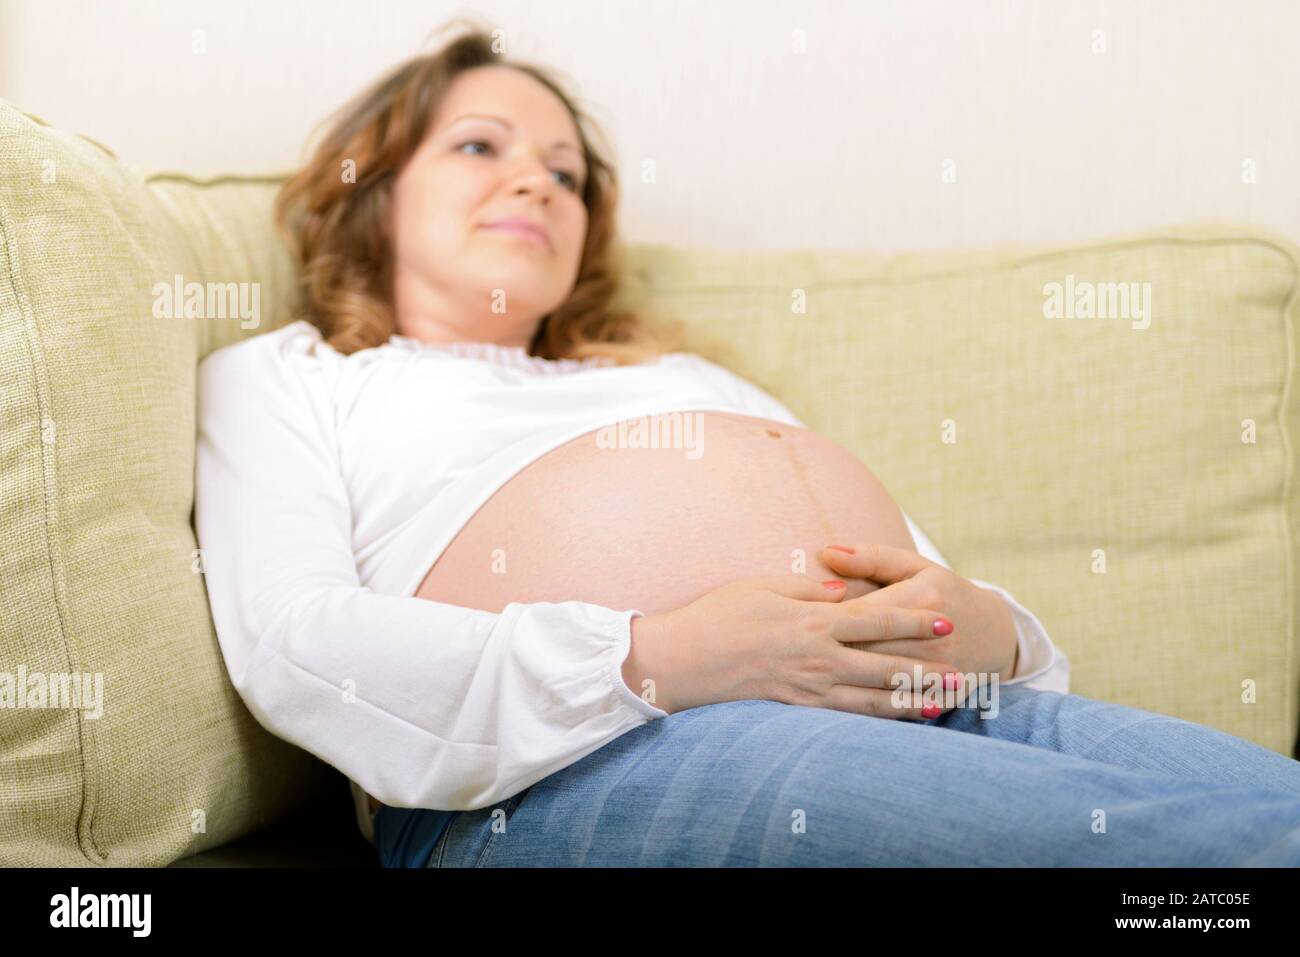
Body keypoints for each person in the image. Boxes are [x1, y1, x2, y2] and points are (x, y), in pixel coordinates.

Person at [194, 21, 1300, 867]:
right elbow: (296, 642)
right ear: (374, 191)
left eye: (566, 172)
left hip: (936, 707)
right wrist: (660, 657)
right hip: (573, 762)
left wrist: (999, 633)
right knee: (1201, 857)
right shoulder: (292, 378)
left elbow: (907, 574)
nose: (536, 179)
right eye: (481, 145)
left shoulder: (677, 377)